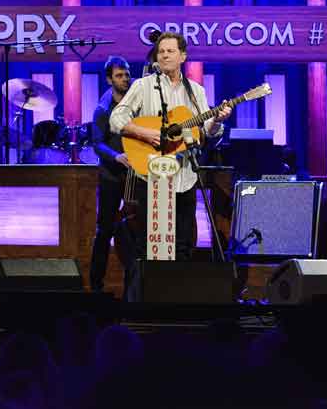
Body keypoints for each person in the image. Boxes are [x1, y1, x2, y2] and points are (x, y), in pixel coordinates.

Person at [109, 33, 231, 271]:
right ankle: (150, 299)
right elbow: (117, 118)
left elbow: (207, 132)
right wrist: (144, 134)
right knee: (150, 246)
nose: (164, 54)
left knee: (184, 245)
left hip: (185, 177)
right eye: (161, 51)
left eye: (170, 51)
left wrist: (216, 121)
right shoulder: (143, 86)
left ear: (182, 56)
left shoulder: (195, 91)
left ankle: (179, 300)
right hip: (151, 175)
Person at [89, 56, 133, 292]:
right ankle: (96, 284)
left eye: (126, 74)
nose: (125, 79)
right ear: (109, 79)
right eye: (119, 75)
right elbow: (97, 144)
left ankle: (134, 284)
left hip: (135, 174)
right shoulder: (102, 109)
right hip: (111, 174)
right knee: (104, 230)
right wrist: (116, 157)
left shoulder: (136, 98)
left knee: (136, 230)